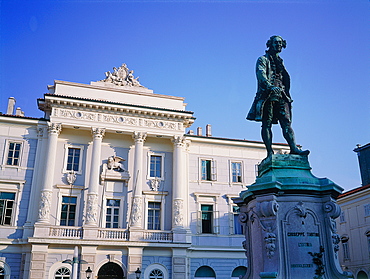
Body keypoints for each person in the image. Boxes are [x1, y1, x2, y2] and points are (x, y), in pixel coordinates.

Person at [247, 35, 309, 158]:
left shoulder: (280, 61)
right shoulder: (262, 59)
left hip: (282, 94)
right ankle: (270, 152)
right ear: (270, 44)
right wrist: (270, 86)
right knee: (267, 123)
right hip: (267, 95)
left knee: (286, 122)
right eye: (276, 43)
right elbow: (261, 74)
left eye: (281, 43)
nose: (279, 45)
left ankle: (293, 148)